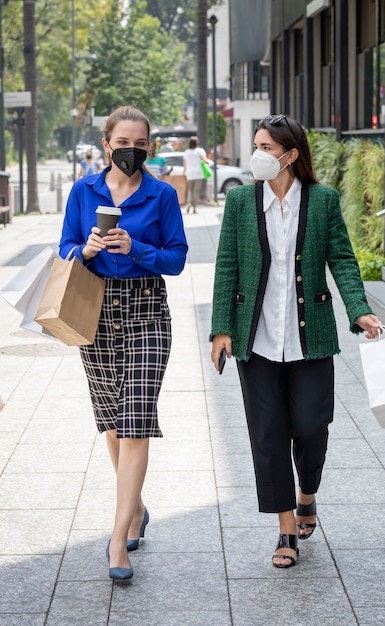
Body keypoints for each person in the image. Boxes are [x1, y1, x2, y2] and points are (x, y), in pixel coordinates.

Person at [210, 114, 382, 569]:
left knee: (310, 427)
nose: (257, 155)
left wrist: (358, 308)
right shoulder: (242, 202)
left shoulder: (322, 201)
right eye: (256, 145)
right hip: (257, 339)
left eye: (266, 147)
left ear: (290, 155)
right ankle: (286, 529)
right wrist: (221, 328)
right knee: (268, 436)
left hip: (311, 339)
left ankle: (307, 495)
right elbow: (227, 265)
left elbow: (342, 257)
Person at [59, 105, 188, 580]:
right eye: (122, 141)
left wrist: (138, 249)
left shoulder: (162, 196)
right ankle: (134, 509)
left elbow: (176, 259)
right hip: (94, 309)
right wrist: (86, 249)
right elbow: (64, 247)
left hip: (146, 310)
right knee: (112, 423)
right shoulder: (82, 190)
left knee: (135, 421)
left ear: (148, 147)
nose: (130, 150)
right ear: (107, 144)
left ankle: (117, 542)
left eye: (140, 143)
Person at [183, 136, 208, 213]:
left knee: (190, 190)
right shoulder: (200, 151)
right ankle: (195, 207)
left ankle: (189, 203)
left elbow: (184, 164)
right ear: (197, 143)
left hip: (189, 174)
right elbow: (205, 160)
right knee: (196, 191)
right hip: (198, 173)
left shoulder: (187, 152)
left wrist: (184, 172)